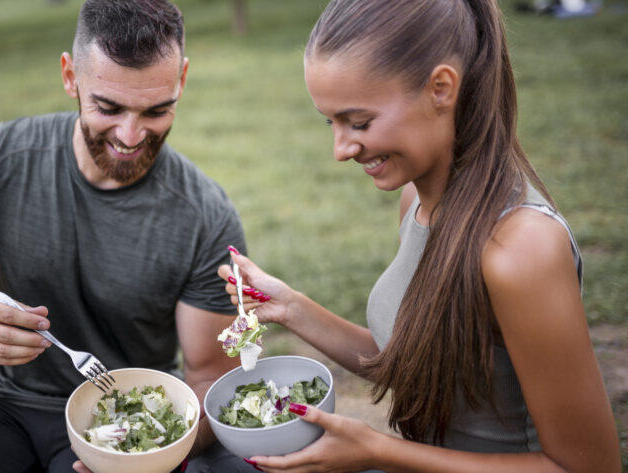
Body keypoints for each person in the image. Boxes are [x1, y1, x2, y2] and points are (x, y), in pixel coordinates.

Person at [218, 0, 621, 472]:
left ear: (441, 89)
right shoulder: (416, 201)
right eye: (331, 122)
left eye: (360, 122)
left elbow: (588, 467)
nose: (341, 149)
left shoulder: (521, 250)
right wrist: (291, 308)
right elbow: (415, 357)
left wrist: (376, 450)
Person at [0, 1, 258, 471]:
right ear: (70, 77)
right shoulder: (2, 159)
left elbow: (208, 380)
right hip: (9, 403)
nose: (131, 135)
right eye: (108, 107)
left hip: (125, 415)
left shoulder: (206, 215)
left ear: (181, 80)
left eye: (157, 110)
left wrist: (151, 453)